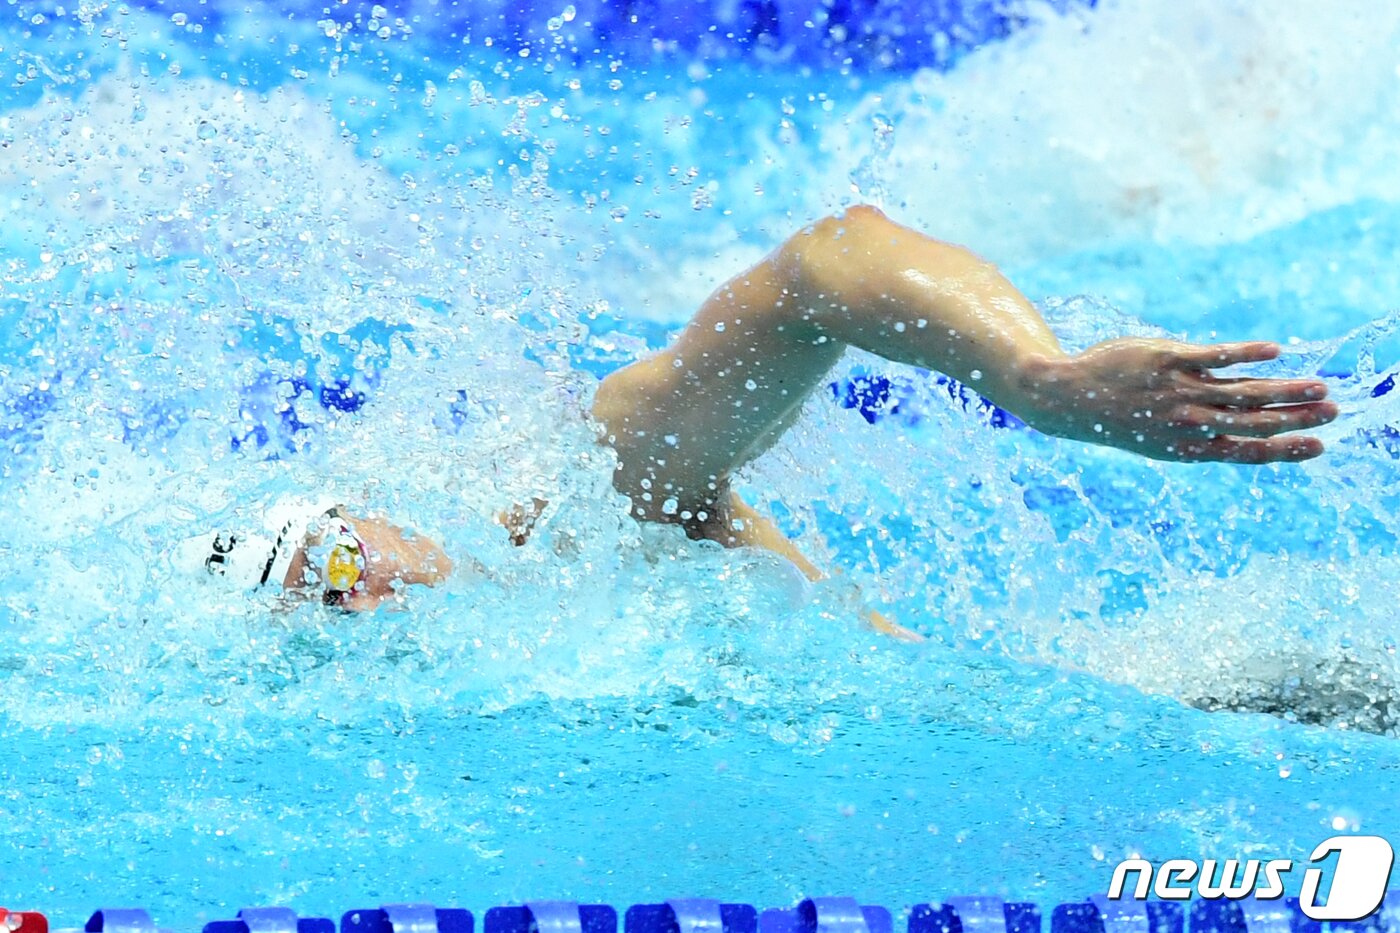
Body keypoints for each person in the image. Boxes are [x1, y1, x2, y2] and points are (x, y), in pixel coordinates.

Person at [178, 206, 1338, 633]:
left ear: (367, 515)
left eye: (336, 556)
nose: (362, 597)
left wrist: (1040, 384)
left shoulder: (588, 499)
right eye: (324, 611)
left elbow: (828, 263)